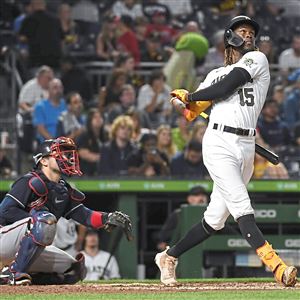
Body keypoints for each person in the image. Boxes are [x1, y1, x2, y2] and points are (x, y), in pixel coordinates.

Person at [155, 16, 297, 287]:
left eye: (252, 32)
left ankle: (169, 256)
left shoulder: (257, 60)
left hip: (245, 146)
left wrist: (192, 96)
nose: (249, 36)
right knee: (243, 207)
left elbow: (230, 84)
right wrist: (181, 101)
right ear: (230, 36)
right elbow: (191, 112)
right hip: (218, 143)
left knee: (215, 219)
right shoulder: (213, 75)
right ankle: (276, 266)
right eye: (243, 31)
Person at [0, 136, 131, 285]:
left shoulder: (63, 189)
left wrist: (107, 218)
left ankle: (11, 277)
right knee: (45, 220)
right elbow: (4, 211)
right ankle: (15, 273)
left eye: (67, 154)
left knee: (75, 269)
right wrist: (33, 220)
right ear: (43, 161)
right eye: (59, 154)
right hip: (4, 239)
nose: (67, 158)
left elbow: (83, 215)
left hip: (25, 247)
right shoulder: (28, 181)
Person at [157, 186, 209, 251]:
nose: (201, 198)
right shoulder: (178, 214)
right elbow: (164, 235)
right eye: (197, 195)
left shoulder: (212, 214)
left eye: (203, 195)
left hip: (207, 250)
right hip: (183, 250)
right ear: (190, 199)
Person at [33, 78, 67, 144]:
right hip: (47, 143)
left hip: (65, 142)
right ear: (48, 90)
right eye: (55, 88)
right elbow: (41, 129)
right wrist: (55, 143)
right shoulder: (40, 106)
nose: (58, 90)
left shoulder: (66, 105)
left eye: (60, 88)